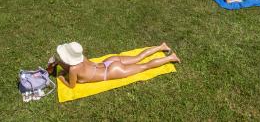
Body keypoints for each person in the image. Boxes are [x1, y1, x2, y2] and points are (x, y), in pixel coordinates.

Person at [50, 42, 180, 88]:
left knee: (145, 66)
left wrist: (62, 78)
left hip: (112, 72)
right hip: (109, 62)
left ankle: (171, 58)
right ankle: (161, 46)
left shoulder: (73, 70)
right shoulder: (82, 57)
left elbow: (72, 86)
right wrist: (60, 63)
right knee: (138, 57)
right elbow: (80, 67)